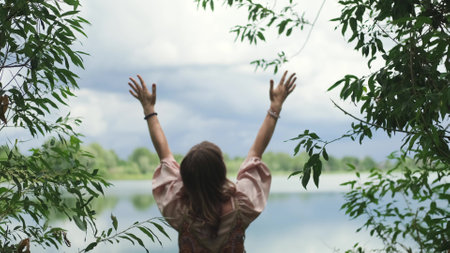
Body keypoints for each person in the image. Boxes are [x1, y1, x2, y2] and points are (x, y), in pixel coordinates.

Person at [128, 71, 297, 252]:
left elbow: (164, 156)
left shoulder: (178, 211)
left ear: (185, 178)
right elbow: (256, 152)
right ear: (221, 172)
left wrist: (149, 110)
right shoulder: (242, 207)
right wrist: (275, 106)